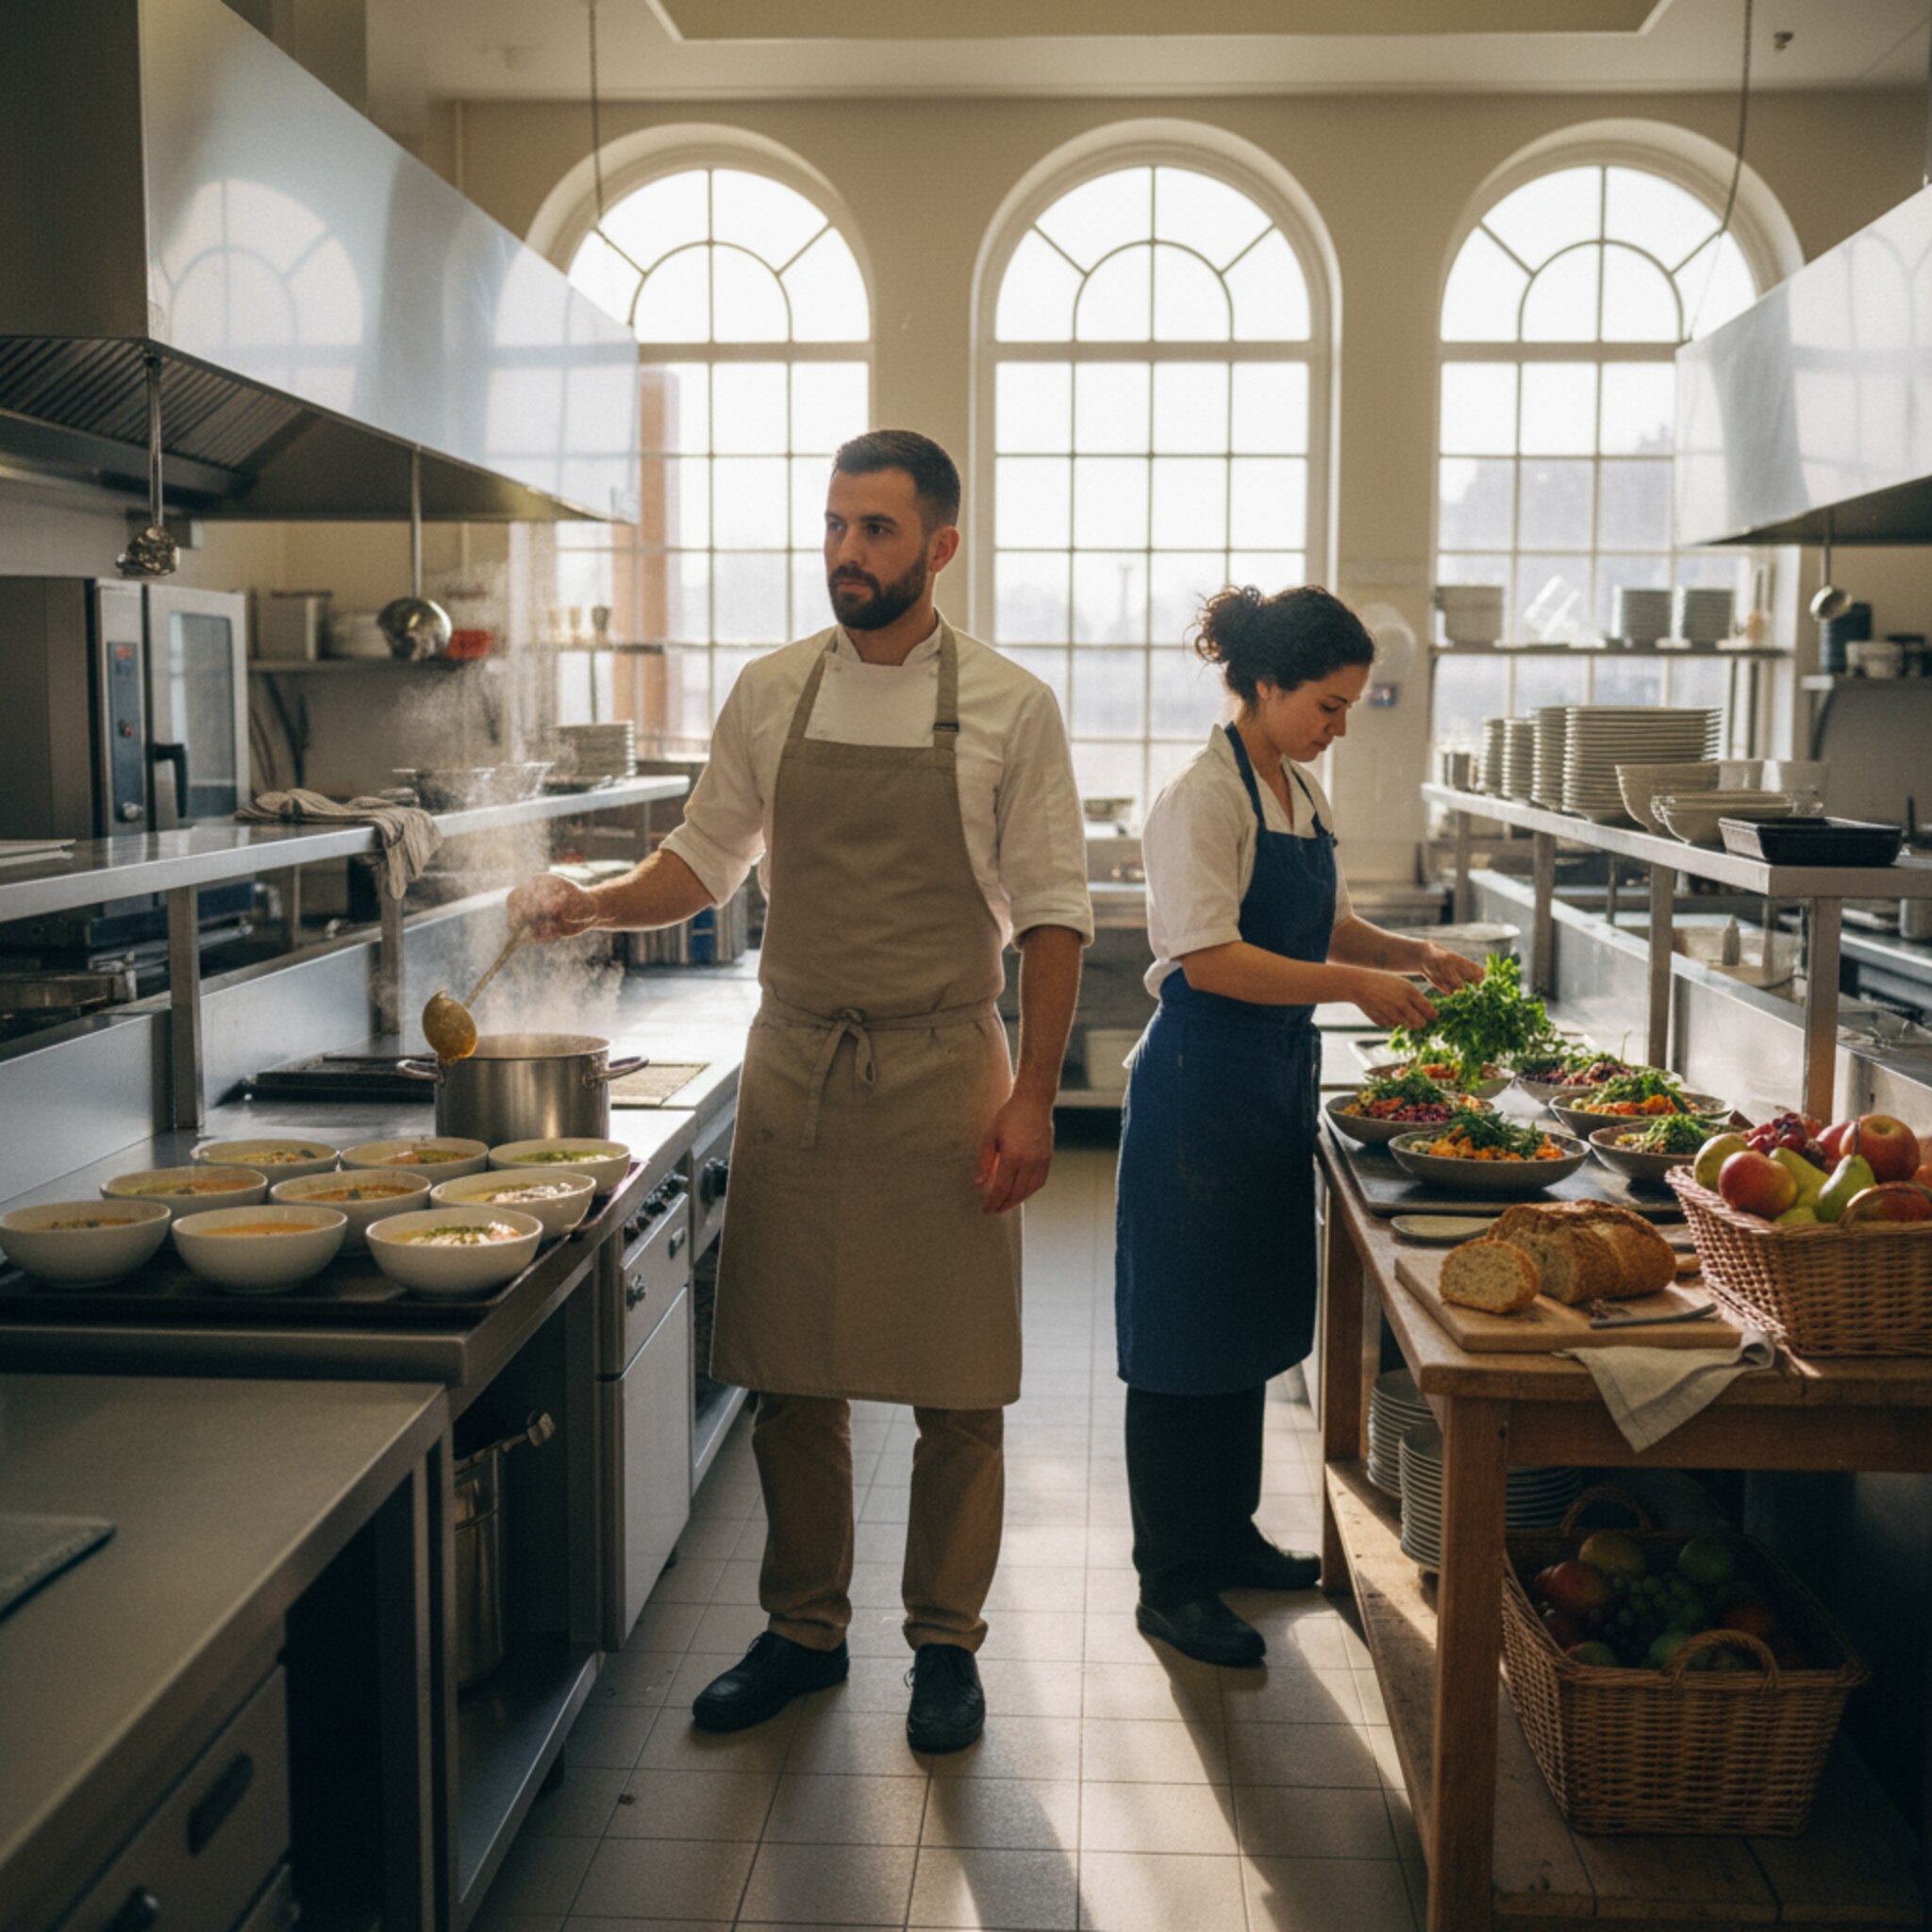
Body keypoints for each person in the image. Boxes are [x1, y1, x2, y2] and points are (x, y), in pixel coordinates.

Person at [508, 430, 1091, 1752]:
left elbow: (1057, 915)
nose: (847, 553)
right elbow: (703, 859)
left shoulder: (1010, 705)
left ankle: (945, 1646)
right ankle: (802, 1631)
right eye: (834, 525)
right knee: (789, 1371)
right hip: (799, 1062)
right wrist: (589, 906)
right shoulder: (775, 693)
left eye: (878, 531)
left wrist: (1036, 1094)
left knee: (961, 1387)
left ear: (942, 546)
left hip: (950, 1061)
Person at [1113, 584, 1483, 1668]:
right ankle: (1168, 1581)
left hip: (1267, 1080)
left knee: (1235, 1323)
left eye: (1346, 705)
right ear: (1266, 685)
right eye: (1326, 703)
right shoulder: (1203, 795)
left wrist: (1408, 955)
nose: (1337, 723)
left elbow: (1316, 916)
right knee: (1181, 1339)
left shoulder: (1293, 786)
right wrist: (1349, 987)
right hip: (1197, 1087)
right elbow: (1210, 954)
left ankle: (1223, 1536)